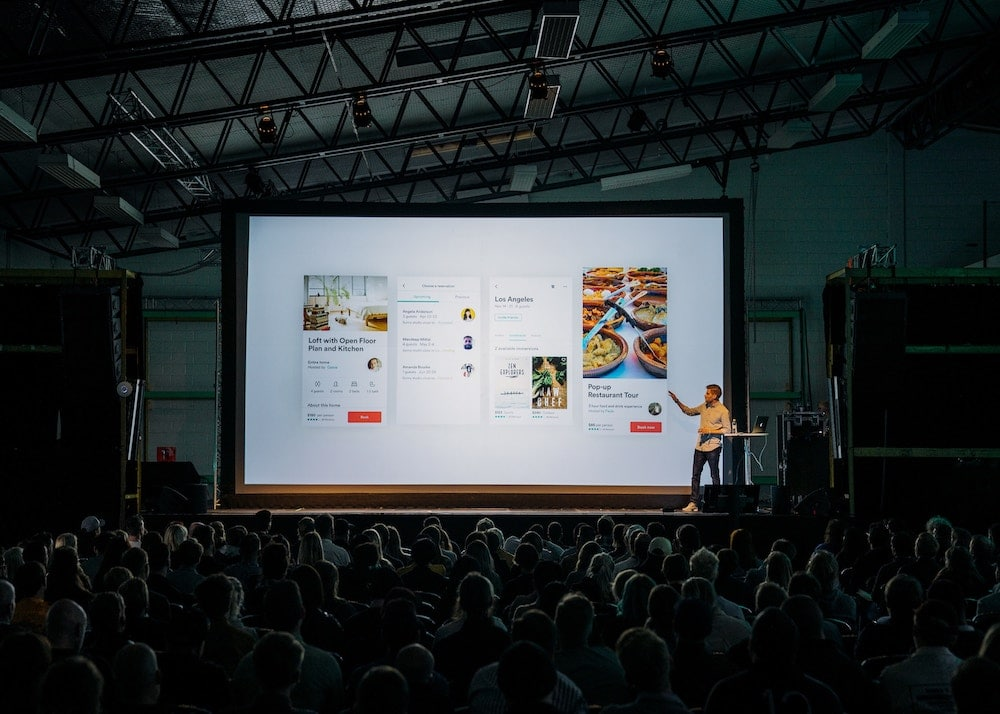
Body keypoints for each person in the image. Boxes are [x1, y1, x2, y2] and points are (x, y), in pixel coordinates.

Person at [668, 384, 731, 512]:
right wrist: (677, 401)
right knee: (695, 475)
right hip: (700, 447)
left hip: (713, 446)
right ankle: (693, 503)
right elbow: (689, 411)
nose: (705, 395)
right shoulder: (704, 406)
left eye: (708, 393)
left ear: (715, 395)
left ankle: (716, 503)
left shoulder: (723, 411)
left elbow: (727, 430)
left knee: (714, 475)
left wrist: (710, 430)